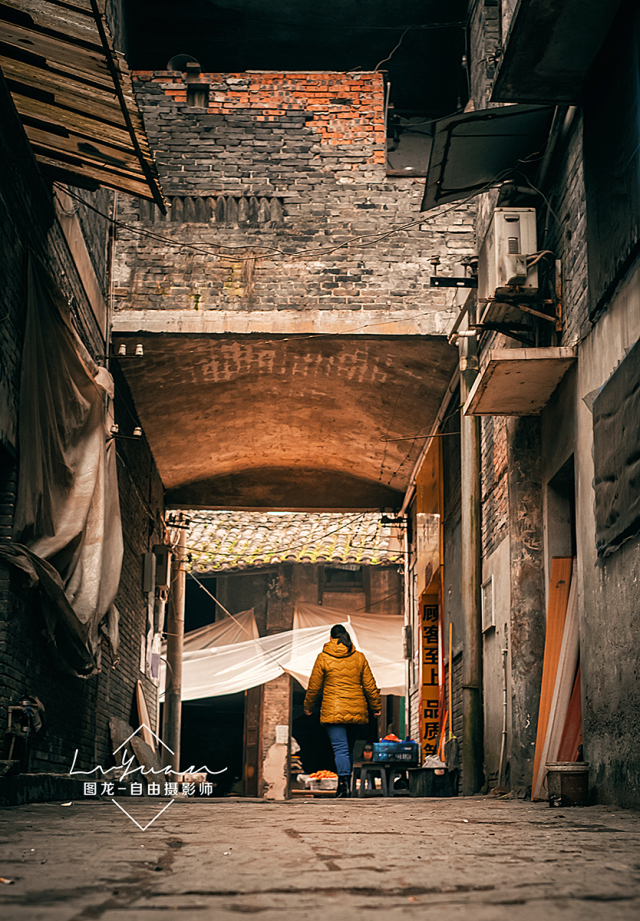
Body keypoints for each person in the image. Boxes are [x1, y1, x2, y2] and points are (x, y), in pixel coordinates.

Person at [304, 624, 381, 797]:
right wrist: (376, 707)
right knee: (349, 748)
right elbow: (370, 685)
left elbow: (314, 686)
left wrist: (309, 706)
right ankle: (347, 785)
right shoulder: (359, 657)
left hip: (333, 710)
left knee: (340, 749)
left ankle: (343, 786)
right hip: (356, 711)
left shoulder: (323, 658)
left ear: (331, 638)